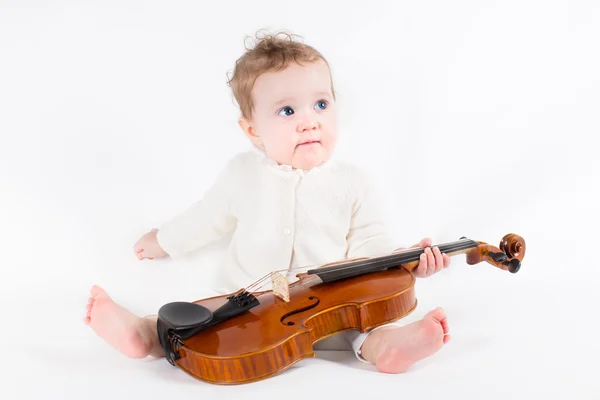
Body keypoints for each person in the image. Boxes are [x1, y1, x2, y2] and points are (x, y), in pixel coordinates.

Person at [84, 31, 452, 374]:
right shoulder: (242, 173)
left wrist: (403, 264)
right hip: (247, 301)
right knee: (196, 321)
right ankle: (144, 334)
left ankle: (386, 347)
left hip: (328, 306)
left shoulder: (353, 182)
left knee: (360, 328)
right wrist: (163, 240)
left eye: (321, 104)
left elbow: (371, 242)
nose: (309, 122)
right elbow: (206, 218)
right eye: (288, 111)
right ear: (253, 130)